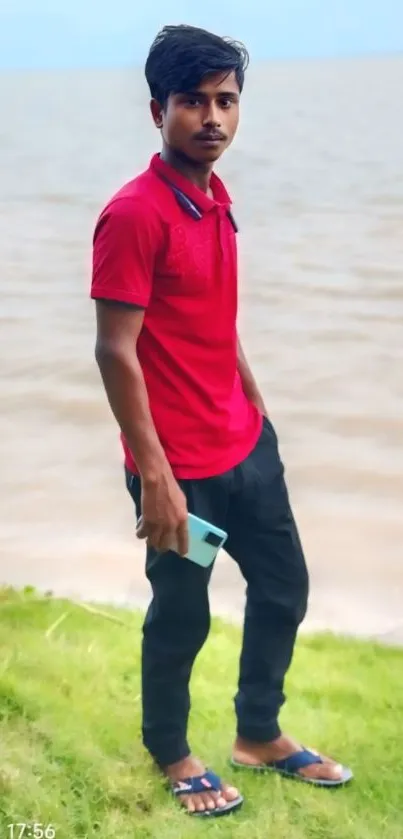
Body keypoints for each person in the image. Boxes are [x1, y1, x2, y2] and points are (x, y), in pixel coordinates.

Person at [91, 23, 353, 818]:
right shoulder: (134, 214)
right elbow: (114, 350)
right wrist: (158, 481)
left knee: (283, 588)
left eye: (225, 101)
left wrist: (256, 400)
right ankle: (170, 748)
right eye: (193, 102)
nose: (212, 117)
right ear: (156, 111)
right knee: (183, 611)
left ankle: (258, 733)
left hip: (244, 445)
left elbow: (211, 316)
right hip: (180, 472)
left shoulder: (214, 198)